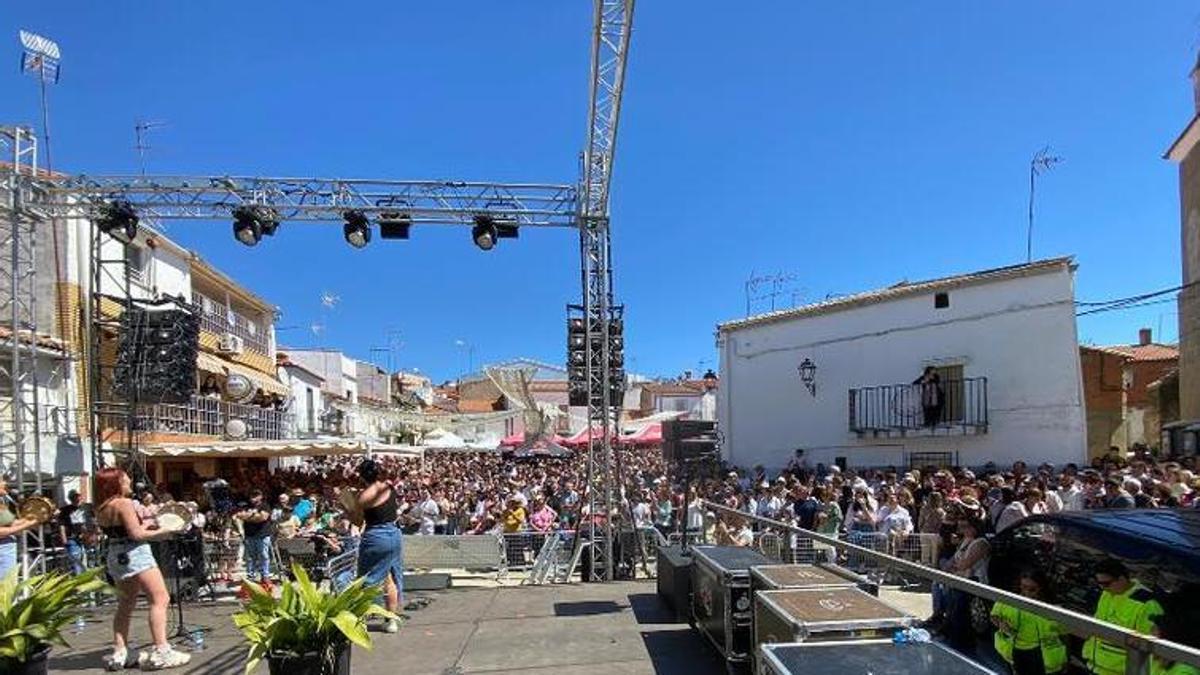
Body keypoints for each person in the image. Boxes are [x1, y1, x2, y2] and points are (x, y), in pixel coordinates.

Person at [94, 467, 191, 670]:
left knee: (125, 603)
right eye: (125, 479)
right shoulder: (124, 503)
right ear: (116, 483)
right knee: (160, 599)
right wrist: (165, 530)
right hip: (135, 553)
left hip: (115, 554)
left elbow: (122, 532)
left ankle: (120, 651)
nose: (129, 481)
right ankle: (162, 650)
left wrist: (149, 526)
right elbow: (136, 535)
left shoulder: (102, 506)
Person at [1083, 559, 1163, 675]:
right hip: (1094, 666)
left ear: (1121, 579)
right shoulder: (1107, 593)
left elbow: (1150, 644)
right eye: (1099, 583)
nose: (1102, 588)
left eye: (1106, 583)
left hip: (1120, 671)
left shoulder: (1146, 603)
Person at [352, 459, 403, 633]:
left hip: (376, 537)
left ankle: (362, 621)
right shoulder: (388, 486)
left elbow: (357, 521)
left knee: (365, 580)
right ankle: (391, 621)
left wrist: (347, 507)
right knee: (390, 577)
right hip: (394, 533)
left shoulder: (364, 496)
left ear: (361, 476)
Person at [991, 570, 1067, 675]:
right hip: (1013, 653)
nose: (1026, 593)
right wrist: (1001, 624)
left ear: (1041, 588)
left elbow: (1064, 636)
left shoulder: (1052, 609)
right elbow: (994, 616)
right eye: (1023, 588)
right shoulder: (1008, 600)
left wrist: (1065, 661)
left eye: (1032, 589)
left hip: (1043, 658)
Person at [235, 489, 273, 592]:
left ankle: (265, 576)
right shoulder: (246, 506)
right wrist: (253, 516)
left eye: (256, 495)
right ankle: (250, 577)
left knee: (264, 556)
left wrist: (248, 517)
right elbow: (239, 516)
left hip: (262, 535)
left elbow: (263, 518)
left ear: (260, 496)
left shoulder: (265, 506)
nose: (253, 498)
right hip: (249, 535)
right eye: (252, 495)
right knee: (250, 557)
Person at [0, 477, 38, 578]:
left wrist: (32, 518)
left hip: (7, 551)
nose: (6, 483)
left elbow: (9, 523)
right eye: (2, 481)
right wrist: (27, 525)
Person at [58, 489, 90, 576]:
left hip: (86, 538)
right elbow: (61, 525)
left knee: (86, 562)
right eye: (74, 496)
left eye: (78, 496)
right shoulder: (65, 510)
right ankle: (78, 583)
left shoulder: (86, 508)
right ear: (70, 498)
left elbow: (93, 522)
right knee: (76, 563)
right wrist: (64, 539)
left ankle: (86, 583)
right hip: (72, 539)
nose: (77, 498)